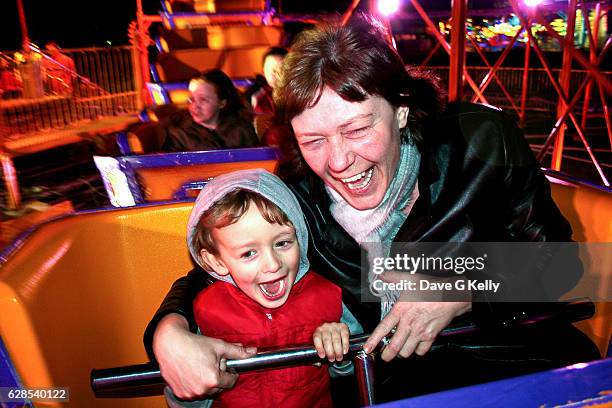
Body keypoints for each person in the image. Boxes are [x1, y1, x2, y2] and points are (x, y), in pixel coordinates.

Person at [145, 15, 599, 403]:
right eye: (314, 141)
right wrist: (169, 334)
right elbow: (215, 266)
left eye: (358, 128)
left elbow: (561, 264)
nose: (339, 162)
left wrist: (462, 292)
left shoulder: (482, 140)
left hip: (519, 358)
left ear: (400, 110)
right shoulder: (298, 195)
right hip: (398, 386)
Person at [165, 169, 359, 407]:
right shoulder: (205, 311)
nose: (273, 264)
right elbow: (185, 395)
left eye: (283, 243)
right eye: (248, 253)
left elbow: (353, 372)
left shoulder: (327, 296)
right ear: (216, 261)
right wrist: (189, 382)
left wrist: (340, 347)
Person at [161, 69, 259, 152]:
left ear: (222, 103)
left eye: (203, 100)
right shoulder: (178, 132)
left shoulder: (241, 129)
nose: (195, 106)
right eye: (191, 99)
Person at [245, 47, 290, 146]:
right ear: (263, 71)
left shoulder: (301, 95)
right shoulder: (256, 97)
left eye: (280, 68)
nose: (275, 73)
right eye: (270, 69)